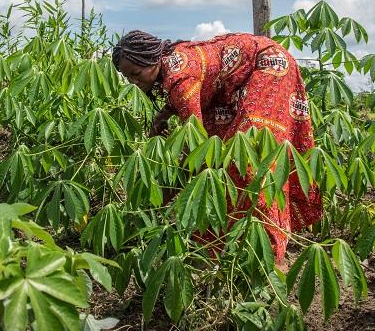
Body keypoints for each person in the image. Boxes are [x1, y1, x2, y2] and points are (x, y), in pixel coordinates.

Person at [112, 30, 322, 265]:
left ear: (152, 59)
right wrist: (160, 118)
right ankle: (220, 247)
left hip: (268, 68)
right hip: (229, 86)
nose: (133, 82)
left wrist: (164, 195)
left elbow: (197, 148)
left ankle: (268, 256)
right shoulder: (169, 68)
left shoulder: (180, 78)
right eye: (127, 77)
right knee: (221, 151)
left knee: (248, 164)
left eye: (136, 73)